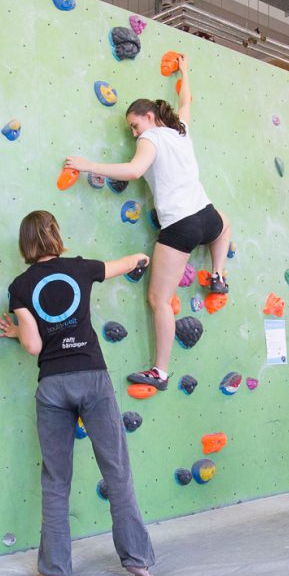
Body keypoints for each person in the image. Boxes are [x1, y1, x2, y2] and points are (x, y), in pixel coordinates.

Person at [0, 210, 156, 576]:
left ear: (25, 243)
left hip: (52, 385)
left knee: (55, 479)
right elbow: (121, 265)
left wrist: (17, 331)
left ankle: (53, 570)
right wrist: (140, 258)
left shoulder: (20, 286)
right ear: (55, 234)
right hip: (92, 379)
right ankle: (137, 562)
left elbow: (33, 345)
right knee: (117, 472)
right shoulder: (80, 269)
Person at [63, 54, 232, 392]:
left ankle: (160, 371)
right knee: (224, 223)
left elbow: (134, 171)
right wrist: (185, 71)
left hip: (180, 227)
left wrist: (86, 165)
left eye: (135, 125)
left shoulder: (150, 138)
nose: (133, 132)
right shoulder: (180, 131)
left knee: (158, 299)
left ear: (149, 117)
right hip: (206, 217)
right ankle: (218, 275)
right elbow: (186, 102)